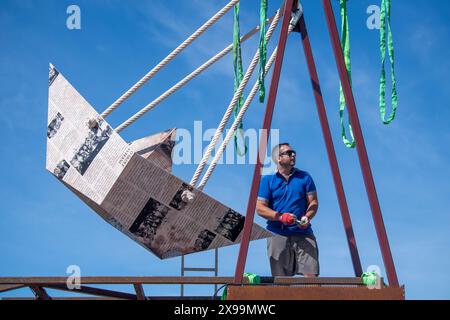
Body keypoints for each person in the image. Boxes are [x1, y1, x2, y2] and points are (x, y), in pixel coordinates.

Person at [256, 143, 319, 277]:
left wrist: (307, 217)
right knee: (281, 281)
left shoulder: (305, 177)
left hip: (303, 233)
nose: (293, 155)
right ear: (279, 158)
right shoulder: (267, 180)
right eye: (289, 153)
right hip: (277, 233)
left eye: (293, 153)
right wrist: (280, 217)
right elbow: (260, 208)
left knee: (311, 277)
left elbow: (313, 202)